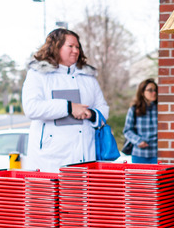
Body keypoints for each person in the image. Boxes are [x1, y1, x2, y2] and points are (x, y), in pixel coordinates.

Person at [21, 28, 109, 173]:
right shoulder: (38, 74)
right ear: (56, 47)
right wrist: (68, 107)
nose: (76, 50)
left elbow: (103, 108)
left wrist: (91, 114)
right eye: (70, 46)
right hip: (50, 160)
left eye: (78, 47)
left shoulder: (88, 77)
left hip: (85, 156)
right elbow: (31, 108)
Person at [123, 78, 159, 164]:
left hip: (157, 154)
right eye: (150, 90)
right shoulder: (134, 109)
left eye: (155, 90)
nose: (154, 93)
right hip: (139, 154)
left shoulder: (160, 108)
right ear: (142, 92)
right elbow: (127, 130)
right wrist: (138, 141)